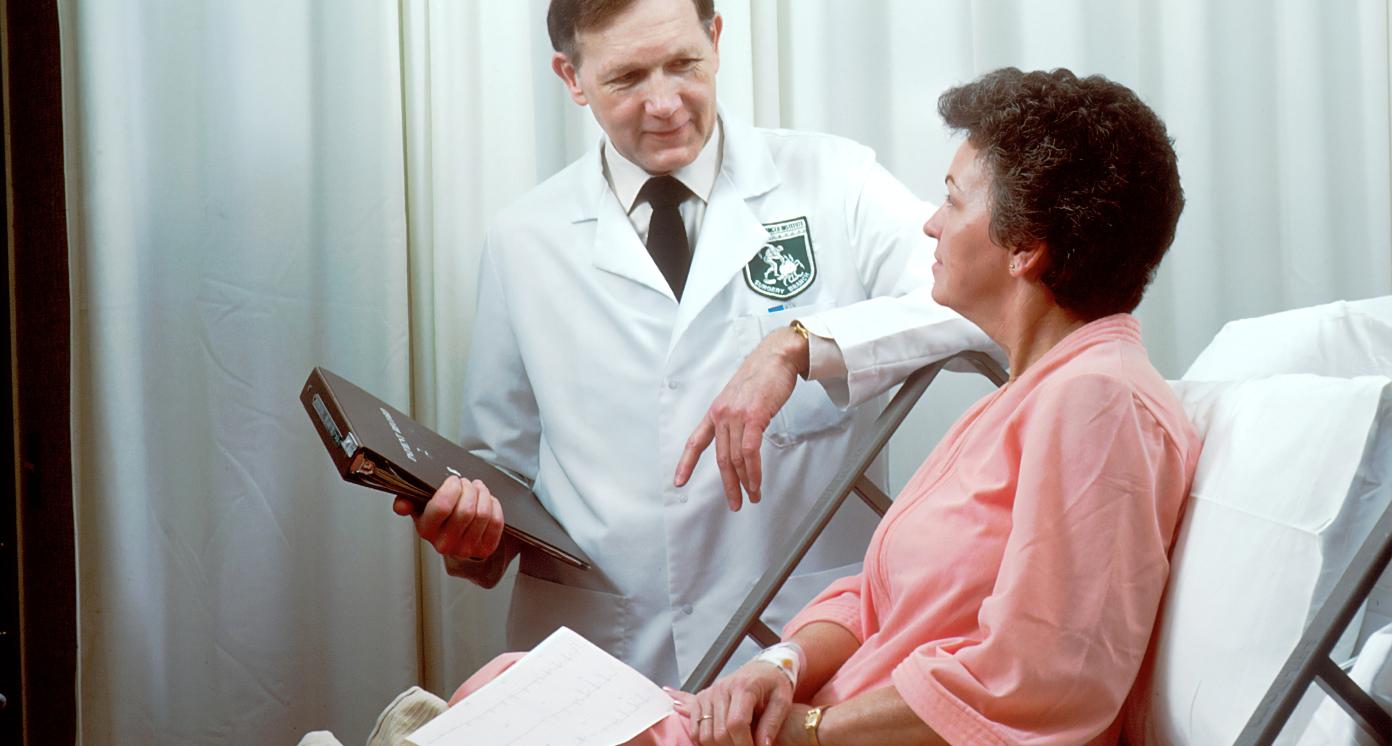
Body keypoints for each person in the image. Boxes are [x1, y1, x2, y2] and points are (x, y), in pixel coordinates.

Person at [450, 66, 1202, 746]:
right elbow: (877, 593)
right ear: (572, 77)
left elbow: (1041, 682)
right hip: (803, 706)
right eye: (625, 77)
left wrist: (809, 728)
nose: (931, 225)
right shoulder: (1027, 397)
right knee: (512, 688)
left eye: (949, 199)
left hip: (839, 733)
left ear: (1025, 248)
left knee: (519, 719)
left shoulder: (1098, 403)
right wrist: (778, 663)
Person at [396, 0, 992, 688]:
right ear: (571, 77)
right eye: (626, 79)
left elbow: (982, 303)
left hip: (799, 646)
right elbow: (502, 470)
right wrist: (472, 541)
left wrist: (798, 345)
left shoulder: (836, 181)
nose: (664, 104)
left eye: (683, 64)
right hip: (605, 656)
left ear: (715, 38)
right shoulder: (523, 238)